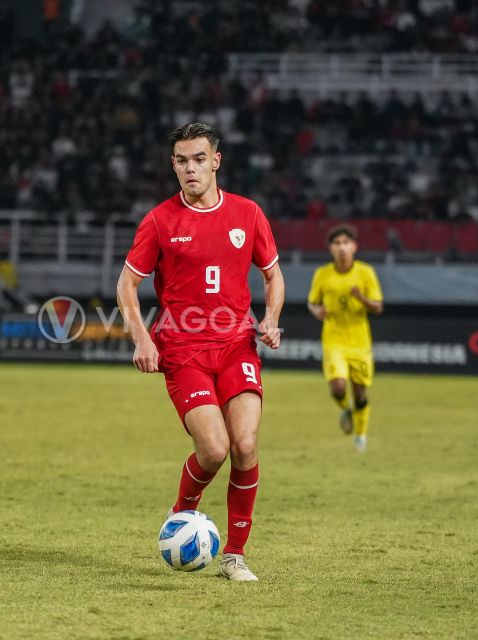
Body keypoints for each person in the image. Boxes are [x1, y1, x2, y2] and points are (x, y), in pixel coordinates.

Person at [117, 123, 285, 581]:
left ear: (216, 161)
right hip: (184, 350)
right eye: (180, 160)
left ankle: (234, 554)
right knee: (214, 449)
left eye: (197, 159)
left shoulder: (248, 214)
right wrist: (142, 339)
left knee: (245, 445)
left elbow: (273, 275)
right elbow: (126, 285)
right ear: (173, 164)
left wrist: (269, 319)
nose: (189, 169)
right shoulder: (159, 221)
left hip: (236, 346)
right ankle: (182, 513)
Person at [307, 224, 383, 453]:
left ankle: (360, 435)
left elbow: (378, 307)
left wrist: (362, 298)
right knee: (339, 387)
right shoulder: (322, 274)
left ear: (354, 247)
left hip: (360, 342)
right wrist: (316, 311)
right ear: (331, 249)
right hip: (334, 340)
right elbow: (312, 302)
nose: (342, 248)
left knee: (360, 391)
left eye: (346, 243)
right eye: (337, 243)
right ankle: (345, 408)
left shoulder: (365, 272)